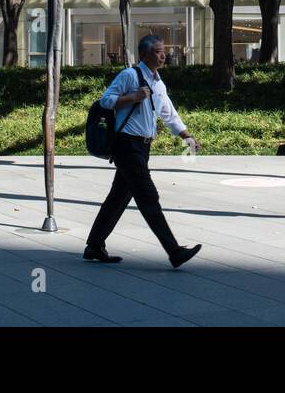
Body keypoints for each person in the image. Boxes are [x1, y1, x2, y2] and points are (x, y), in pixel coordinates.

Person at [84, 34, 203, 269]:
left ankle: (94, 246)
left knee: (118, 198)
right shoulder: (130, 75)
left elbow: (169, 114)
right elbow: (105, 101)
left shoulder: (158, 83)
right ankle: (174, 251)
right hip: (127, 145)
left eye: (163, 51)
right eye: (159, 51)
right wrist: (132, 97)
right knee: (149, 197)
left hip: (143, 147)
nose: (164, 55)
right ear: (145, 54)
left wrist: (187, 136)